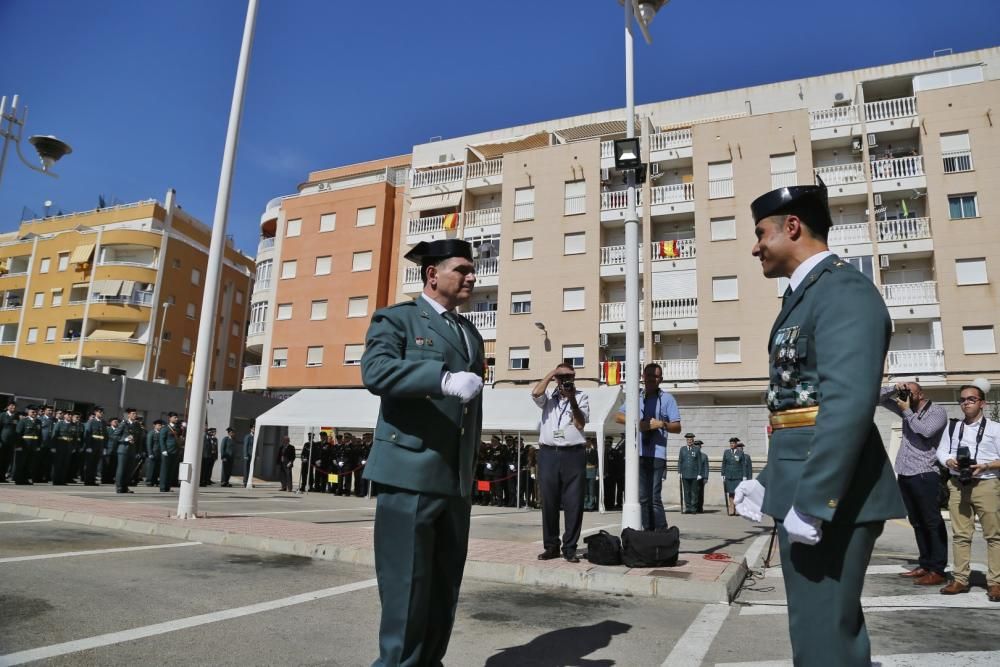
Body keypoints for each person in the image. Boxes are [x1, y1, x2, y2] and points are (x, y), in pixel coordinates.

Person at [734, 176, 905, 666]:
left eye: (761, 233)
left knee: (826, 639)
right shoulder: (804, 296)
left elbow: (847, 404)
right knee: (814, 633)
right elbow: (796, 406)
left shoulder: (843, 291)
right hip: (809, 488)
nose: (755, 247)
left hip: (835, 498)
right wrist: (770, 481)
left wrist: (814, 499)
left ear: (792, 227)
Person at [360, 238, 484, 667]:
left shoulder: (469, 333)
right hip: (409, 472)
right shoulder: (397, 319)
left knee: (444, 587)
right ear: (433, 274)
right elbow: (375, 371)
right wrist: (442, 379)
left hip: (454, 479)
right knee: (406, 590)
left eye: (472, 270)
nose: (472, 276)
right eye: (462, 269)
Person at [878, 381, 949, 585]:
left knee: (932, 521)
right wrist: (894, 388)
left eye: (911, 391)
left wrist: (907, 412)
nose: (907, 394)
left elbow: (925, 431)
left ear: (921, 393)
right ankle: (925, 564)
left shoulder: (937, 411)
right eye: (905, 391)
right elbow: (877, 399)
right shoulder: (904, 406)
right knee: (917, 521)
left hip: (925, 473)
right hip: (906, 472)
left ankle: (938, 569)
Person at [935, 380, 1000, 602]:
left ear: (982, 403)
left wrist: (986, 465)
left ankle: (995, 583)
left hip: (987, 484)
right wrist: (949, 461)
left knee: (994, 536)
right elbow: (941, 451)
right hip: (958, 484)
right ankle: (960, 580)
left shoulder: (995, 428)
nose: (966, 403)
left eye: (971, 399)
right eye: (962, 400)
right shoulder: (953, 427)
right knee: (961, 534)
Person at [533, 363, 591, 562]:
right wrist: (552, 373)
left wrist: (572, 398)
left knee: (573, 502)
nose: (566, 380)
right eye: (562, 376)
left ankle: (570, 547)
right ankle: (551, 546)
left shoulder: (582, 396)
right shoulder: (548, 398)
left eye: (569, 376)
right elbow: (535, 393)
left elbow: (580, 423)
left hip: (573, 454)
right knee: (548, 501)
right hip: (549, 453)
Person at [614, 362, 681, 529]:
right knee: (642, 497)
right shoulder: (636, 397)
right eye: (648, 375)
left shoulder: (667, 399)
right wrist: (639, 423)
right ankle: (647, 533)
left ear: (661, 379)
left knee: (654, 497)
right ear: (643, 377)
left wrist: (662, 424)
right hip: (638, 454)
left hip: (657, 455)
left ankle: (661, 533)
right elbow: (618, 417)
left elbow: (677, 427)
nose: (651, 379)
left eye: (655, 376)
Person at [113, 408, 143, 494]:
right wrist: (125, 439)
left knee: (129, 470)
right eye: (133, 414)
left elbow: (139, 440)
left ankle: (125, 487)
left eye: (135, 414)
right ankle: (119, 487)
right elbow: (115, 436)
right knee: (121, 469)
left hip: (132, 450)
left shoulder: (137, 425)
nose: (135, 415)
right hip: (123, 449)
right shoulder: (123, 424)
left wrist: (138, 451)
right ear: (128, 415)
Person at [722, 438, 750, 516]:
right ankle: (731, 509)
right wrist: (723, 474)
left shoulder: (740, 453)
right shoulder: (726, 452)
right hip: (729, 476)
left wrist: (744, 476)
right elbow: (724, 463)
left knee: (737, 493)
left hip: (738, 476)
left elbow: (743, 465)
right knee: (730, 493)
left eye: (733, 443)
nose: (732, 445)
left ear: (736, 444)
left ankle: (738, 509)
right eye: (731, 443)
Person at [13, 405, 40, 484]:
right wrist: (18, 446)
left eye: (36, 412)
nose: (34, 413)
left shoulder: (38, 422)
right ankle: (18, 479)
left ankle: (26, 479)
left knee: (30, 463)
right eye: (33, 412)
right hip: (24, 445)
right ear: (28, 412)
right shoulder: (23, 421)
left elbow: (40, 435)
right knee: (21, 463)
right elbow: (18, 434)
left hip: (33, 445)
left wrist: (38, 445)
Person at [678, 437, 704, 514]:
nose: (689, 441)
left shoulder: (696, 449)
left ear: (693, 441)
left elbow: (699, 462)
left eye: (691, 440)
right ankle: (688, 508)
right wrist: (679, 471)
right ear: (686, 441)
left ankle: (693, 508)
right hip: (685, 473)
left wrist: (699, 473)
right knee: (686, 492)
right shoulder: (682, 449)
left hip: (694, 474)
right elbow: (680, 461)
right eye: (688, 440)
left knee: (694, 492)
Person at [82, 407, 107, 486]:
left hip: (100, 446)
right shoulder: (91, 422)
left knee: (95, 464)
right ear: (95, 413)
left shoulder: (103, 422)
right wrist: (88, 446)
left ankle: (92, 480)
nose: (101, 413)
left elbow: (105, 436)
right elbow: (87, 434)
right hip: (92, 445)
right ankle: (87, 480)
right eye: (99, 412)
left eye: (102, 412)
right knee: (89, 464)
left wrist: (104, 447)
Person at [159, 413, 182, 492]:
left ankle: (167, 487)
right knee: (165, 470)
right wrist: (163, 450)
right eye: (175, 417)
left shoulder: (177, 428)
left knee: (171, 470)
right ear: (170, 418)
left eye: (177, 417)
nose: (176, 419)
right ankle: (162, 487)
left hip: (175, 451)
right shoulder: (165, 428)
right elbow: (162, 440)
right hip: (167, 451)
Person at [0, 401, 19, 482]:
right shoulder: (2, 415)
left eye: (14, 407)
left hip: (11, 442)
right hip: (2, 441)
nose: (13, 408)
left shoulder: (16, 417)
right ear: (8, 407)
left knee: (7, 460)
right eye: (11, 406)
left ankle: (2, 477)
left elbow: (16, 430)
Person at [146, 420, 163, 486]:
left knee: (157, 468)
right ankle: (149, 481)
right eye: (159, 425)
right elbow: (149, 444)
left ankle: (155, 480)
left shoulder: (160, 433)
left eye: (161, 425)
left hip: (159, 453)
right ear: (154, 425)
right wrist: (150, 453)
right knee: (151, 468)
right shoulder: (151, 433)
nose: (160, 426)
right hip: (153, 452)